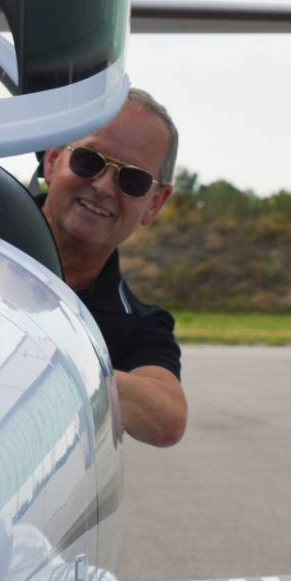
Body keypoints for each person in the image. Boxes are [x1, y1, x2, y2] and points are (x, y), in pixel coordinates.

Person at [39, 89, 188, 448]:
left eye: (132, 180)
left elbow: (167, 419)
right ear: (52, 160)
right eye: (89, 160)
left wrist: (42, 362)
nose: (104, 186)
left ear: (154, 205)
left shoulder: (139, 326)